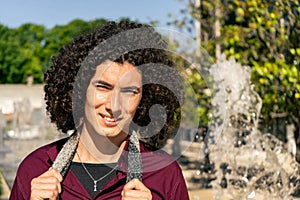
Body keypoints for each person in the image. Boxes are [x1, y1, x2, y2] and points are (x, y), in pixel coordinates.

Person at [10, 20, 189, 200]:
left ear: (145, 99)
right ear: (79, 90)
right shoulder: (35, 168)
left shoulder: (165, 174)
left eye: (129, 91)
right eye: (103, 87)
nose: (114, 106)